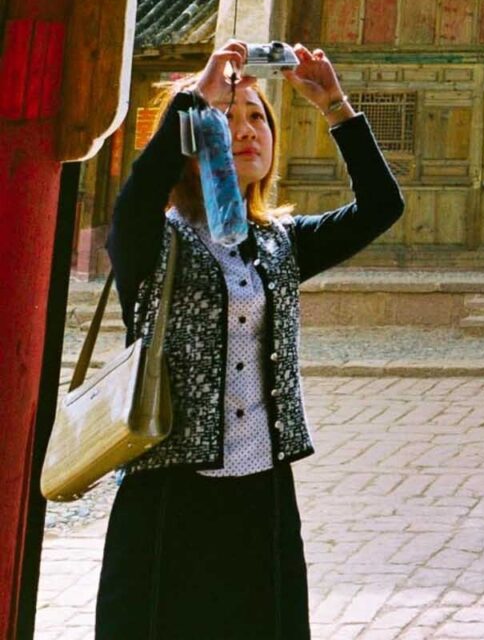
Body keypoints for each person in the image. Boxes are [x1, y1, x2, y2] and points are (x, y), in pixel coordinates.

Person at [95, 38, 404, 640]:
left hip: (261, 491)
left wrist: (335, 105)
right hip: (171, 492)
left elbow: (381, 207)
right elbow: (133, 201)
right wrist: (194, 100)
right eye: (225, 120)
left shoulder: (281, 244)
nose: (246, 130)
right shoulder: (154, 241)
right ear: (190, 145)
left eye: (257, 118)